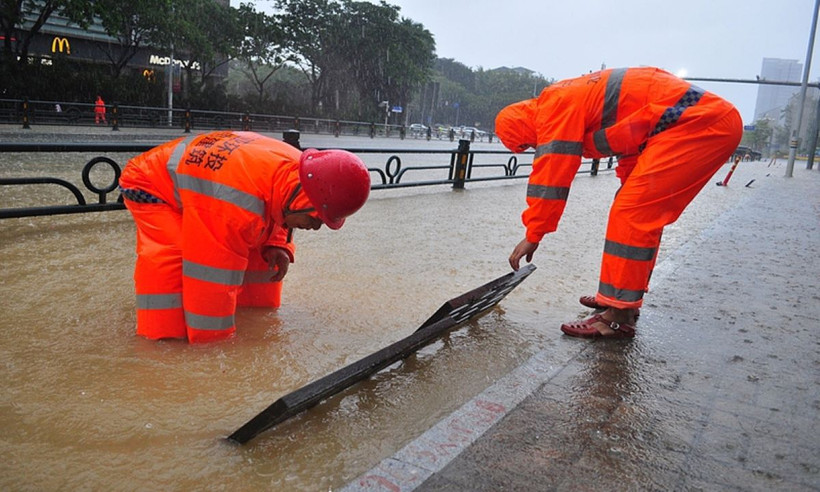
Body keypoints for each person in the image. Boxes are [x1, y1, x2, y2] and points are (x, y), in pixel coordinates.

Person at [496, 67, 742, 339]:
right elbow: (632, 143)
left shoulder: (554, 110)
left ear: (523, 128)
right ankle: (620, 298)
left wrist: (534, 233)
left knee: (632, 213)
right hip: (696, 123)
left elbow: (551, 175)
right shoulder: (565, 99)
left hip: (699, 124)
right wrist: (628, 183)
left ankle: (616, 316)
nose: (534, 148)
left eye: (527, 145)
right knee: (632, 208)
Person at [118, 131, 371, 343]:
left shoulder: (303, 173)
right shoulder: (233, 205)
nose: (315, 228)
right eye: (315, 219)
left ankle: (248, 312)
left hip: (214, 185)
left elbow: (276, 201)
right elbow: (209, 278)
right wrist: (216, 352)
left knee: (263, 254)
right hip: (150, 184)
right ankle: (163, 342)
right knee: (176, 260)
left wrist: (277, 243)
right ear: (302, 199)